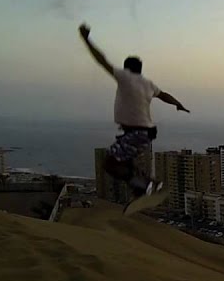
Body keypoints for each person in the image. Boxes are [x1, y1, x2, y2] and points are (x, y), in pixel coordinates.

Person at [79, 23, 189, 198]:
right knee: (125, 162)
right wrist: (178, 104)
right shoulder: (148, 83)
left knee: (109, 164)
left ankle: (146, 184)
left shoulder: (125, 77)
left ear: (126, 68)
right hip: (145, 133)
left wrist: (86, 40)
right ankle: (142, 186)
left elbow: (102, 61)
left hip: (137, 133)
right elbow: (164, 95)